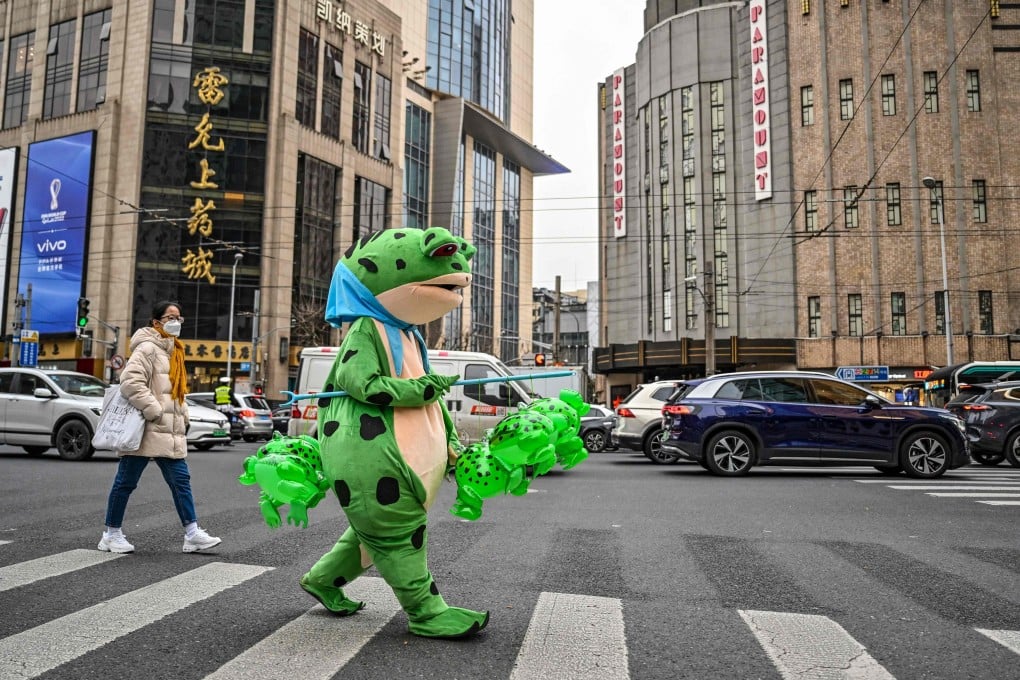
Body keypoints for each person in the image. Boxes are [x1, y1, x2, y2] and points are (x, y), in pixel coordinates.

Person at [98, 301, 221, 554]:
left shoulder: (174, 351)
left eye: (179, 318)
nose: (176, 322)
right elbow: (130, 382)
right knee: (126, 482)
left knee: (181, 481)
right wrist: (153, 409)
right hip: (146, 427)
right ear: (156, 323)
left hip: (168, 429)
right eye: (170, 317)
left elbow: (175, 390)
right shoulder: (147, 348)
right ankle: (111, 534)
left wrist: (183, 414)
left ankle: (192, 534)